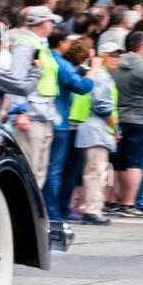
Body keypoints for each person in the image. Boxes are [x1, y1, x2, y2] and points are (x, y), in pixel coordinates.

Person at [42, 29, 94, 220]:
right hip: (60, 121)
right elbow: (80, 87)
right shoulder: (61, 64)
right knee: (55, 170)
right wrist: (92, 74)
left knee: (48, 169)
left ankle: (54, 209)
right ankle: (54, 212)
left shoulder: (48, 59)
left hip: (51, 118)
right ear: (62, 43)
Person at [7, 6, 62, 188]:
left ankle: (32, 213)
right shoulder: (26, 44)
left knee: (39, 170)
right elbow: (16, 79)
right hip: (31, 116)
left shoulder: (41, 45)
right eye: (50, 21)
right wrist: (20, 112)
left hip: (44, 115)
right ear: (41, 22)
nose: (52, 25)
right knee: (29, 169)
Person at [110, 30, 143, 216]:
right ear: (142, 47)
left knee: (117, 163)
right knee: (135, 163)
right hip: (139, 119)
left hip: (116, 119)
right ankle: (129, 204)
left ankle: (114, 200)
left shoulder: (116, 63)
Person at [75, 42, 122, 225]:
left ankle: (93, 208)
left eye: (118, 56)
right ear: (101, 56)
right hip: (97, 129)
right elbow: (103, 107)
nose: (116, 59)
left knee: (98, 172)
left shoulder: (103, 76)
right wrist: (116, 128)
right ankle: (93, 211)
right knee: (95, 172)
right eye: (112, 55)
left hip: (98, 130)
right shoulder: (102, 77)